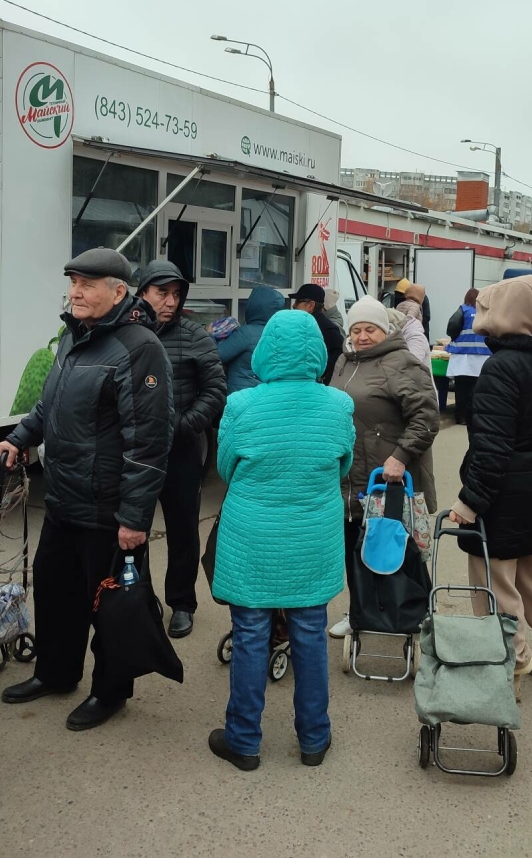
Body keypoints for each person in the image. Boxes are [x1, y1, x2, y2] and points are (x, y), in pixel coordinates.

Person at [0, 248, 173, 732]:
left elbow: (149, 442)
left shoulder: (139, 347)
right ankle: (56, 672)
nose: (75, 291)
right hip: (64, 500)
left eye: (87, 284)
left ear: (118, 291)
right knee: (55, 592)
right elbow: (49, 405)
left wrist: (135, 517)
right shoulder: (73, 338)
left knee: (110, 607)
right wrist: (19, 437)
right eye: (73, 282)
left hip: (108, 510)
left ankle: (110, 691)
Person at [207, 310, 355, 770]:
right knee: (310, 633)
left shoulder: (242, 405)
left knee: (251, 634)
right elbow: (344, 465)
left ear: (267, 350)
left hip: (253, 536)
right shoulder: (338, 404)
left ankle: (244, 742)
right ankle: (314, 739)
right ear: (316, 353)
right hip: (313, 535)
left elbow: (226, 467)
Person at [448, 276, 532, 702]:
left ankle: (512, 662)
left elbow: (492, 449)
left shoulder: (501, 368)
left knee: (494, 582)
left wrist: (468, 503)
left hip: (503, 494)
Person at [329, 296, 439, 638]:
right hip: (351, 476)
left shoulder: (402, 362)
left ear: (385, 329)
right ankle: (360, 612)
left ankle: (414, 614)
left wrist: (401, 456)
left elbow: (426, 416)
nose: (362, 336)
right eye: (357, 329)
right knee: (357, 548)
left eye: (370, 329)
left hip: (389, 477)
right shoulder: (345, 362)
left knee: (396, 551)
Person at [135, 260, 227, 639]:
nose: (170, 301)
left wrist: (184, 426)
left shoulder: (194, 335)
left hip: (182, 451)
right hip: (134, 453)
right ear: (142, 292)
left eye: (176, 294)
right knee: (130, 530)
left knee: (182, 531)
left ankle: (182, 604)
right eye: (162, 293)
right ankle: (139, 599)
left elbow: (216, 391)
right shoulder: (124, 332)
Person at [216, 286, 284, 392]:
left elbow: (218, 355)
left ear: (254, 306)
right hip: (267, 394)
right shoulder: (280, 333)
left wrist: (209, 335)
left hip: (242, 395)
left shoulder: (246, 333)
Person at [445, 287, 491, 424]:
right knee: (477, 389)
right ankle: (474, 416)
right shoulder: (486, 312)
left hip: (462, 356)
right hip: (482, 357)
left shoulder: (463, 310)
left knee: (461, 389)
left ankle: (461, 416)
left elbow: (452, 328)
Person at [289, 283, 344, 383]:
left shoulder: (327, 329)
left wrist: (321, 376)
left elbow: (338, 356)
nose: (293, 305)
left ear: (311, 305)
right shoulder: (304, 324)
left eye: (298, 302)